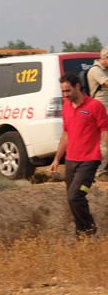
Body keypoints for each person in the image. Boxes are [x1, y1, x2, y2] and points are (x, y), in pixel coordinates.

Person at [50, 72, 108, 237]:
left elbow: (105, 131)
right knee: (72, 198)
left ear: (77, 87)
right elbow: (66, 134)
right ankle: (81, 234)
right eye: (63, 92)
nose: (65, 95)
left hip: (90, 160)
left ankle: (89, 228)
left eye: (68, 91)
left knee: (76, 196)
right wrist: (56, 159)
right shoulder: (66, 106)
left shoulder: (95, 106)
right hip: (71, 160)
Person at [86, 46, 108, 181]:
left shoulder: (105, 70)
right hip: (100, 109)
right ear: (105, 58)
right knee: (104, 142)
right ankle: (100, 172)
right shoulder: (95, 70)